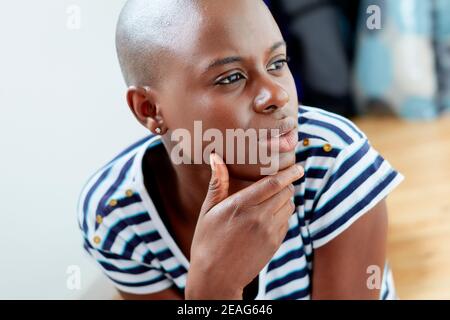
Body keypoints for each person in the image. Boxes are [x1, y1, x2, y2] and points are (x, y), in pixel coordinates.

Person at [77, 0, 404, 300]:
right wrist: (213, 288)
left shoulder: (338, 161)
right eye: (231, 77)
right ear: (149, 109)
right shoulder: (115, 214)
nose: (277, 95)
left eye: (277, 63)